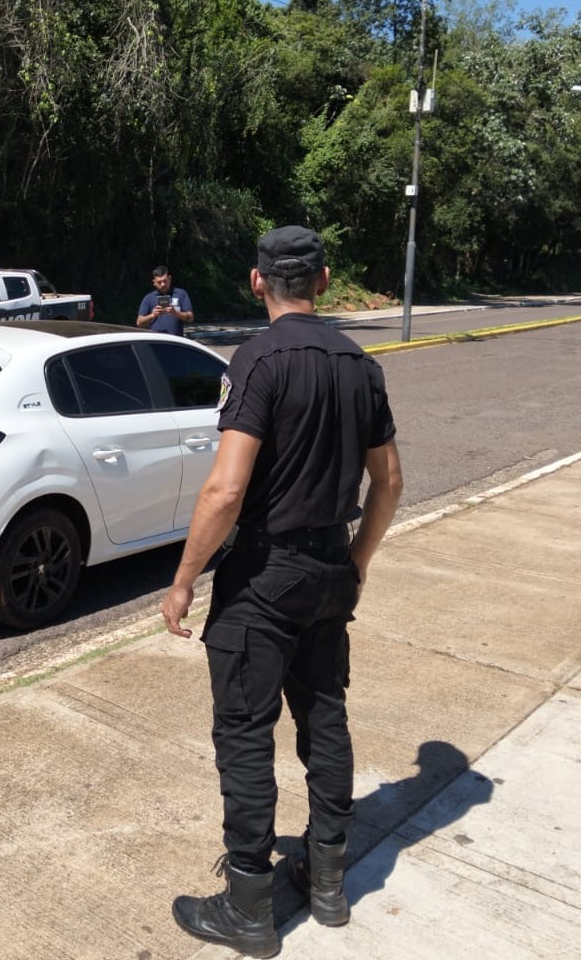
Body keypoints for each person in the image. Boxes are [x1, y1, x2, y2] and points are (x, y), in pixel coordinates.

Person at [161, 226, 403, 957]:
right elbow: (389, 482)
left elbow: (226, 489)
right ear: (324, 281)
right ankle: (327, 883)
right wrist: (357, 562)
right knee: (325, 720)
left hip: (265, 578)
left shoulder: (258, 360)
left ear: (257, 282)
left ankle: (248, 907)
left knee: (244, 733)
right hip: (330, 571)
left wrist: (183, 581)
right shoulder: (361, 365)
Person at [136, 266, 193, 336]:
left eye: (165, 281)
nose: (163, 284)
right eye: (159, 282)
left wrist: (176, 313)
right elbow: (139, 322)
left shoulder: (181, 294)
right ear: (154, 282)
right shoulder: (149, 298)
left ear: (170, 279)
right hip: (156, 340)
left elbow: (190, 318)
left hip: (176, 340)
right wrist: (152, 315)